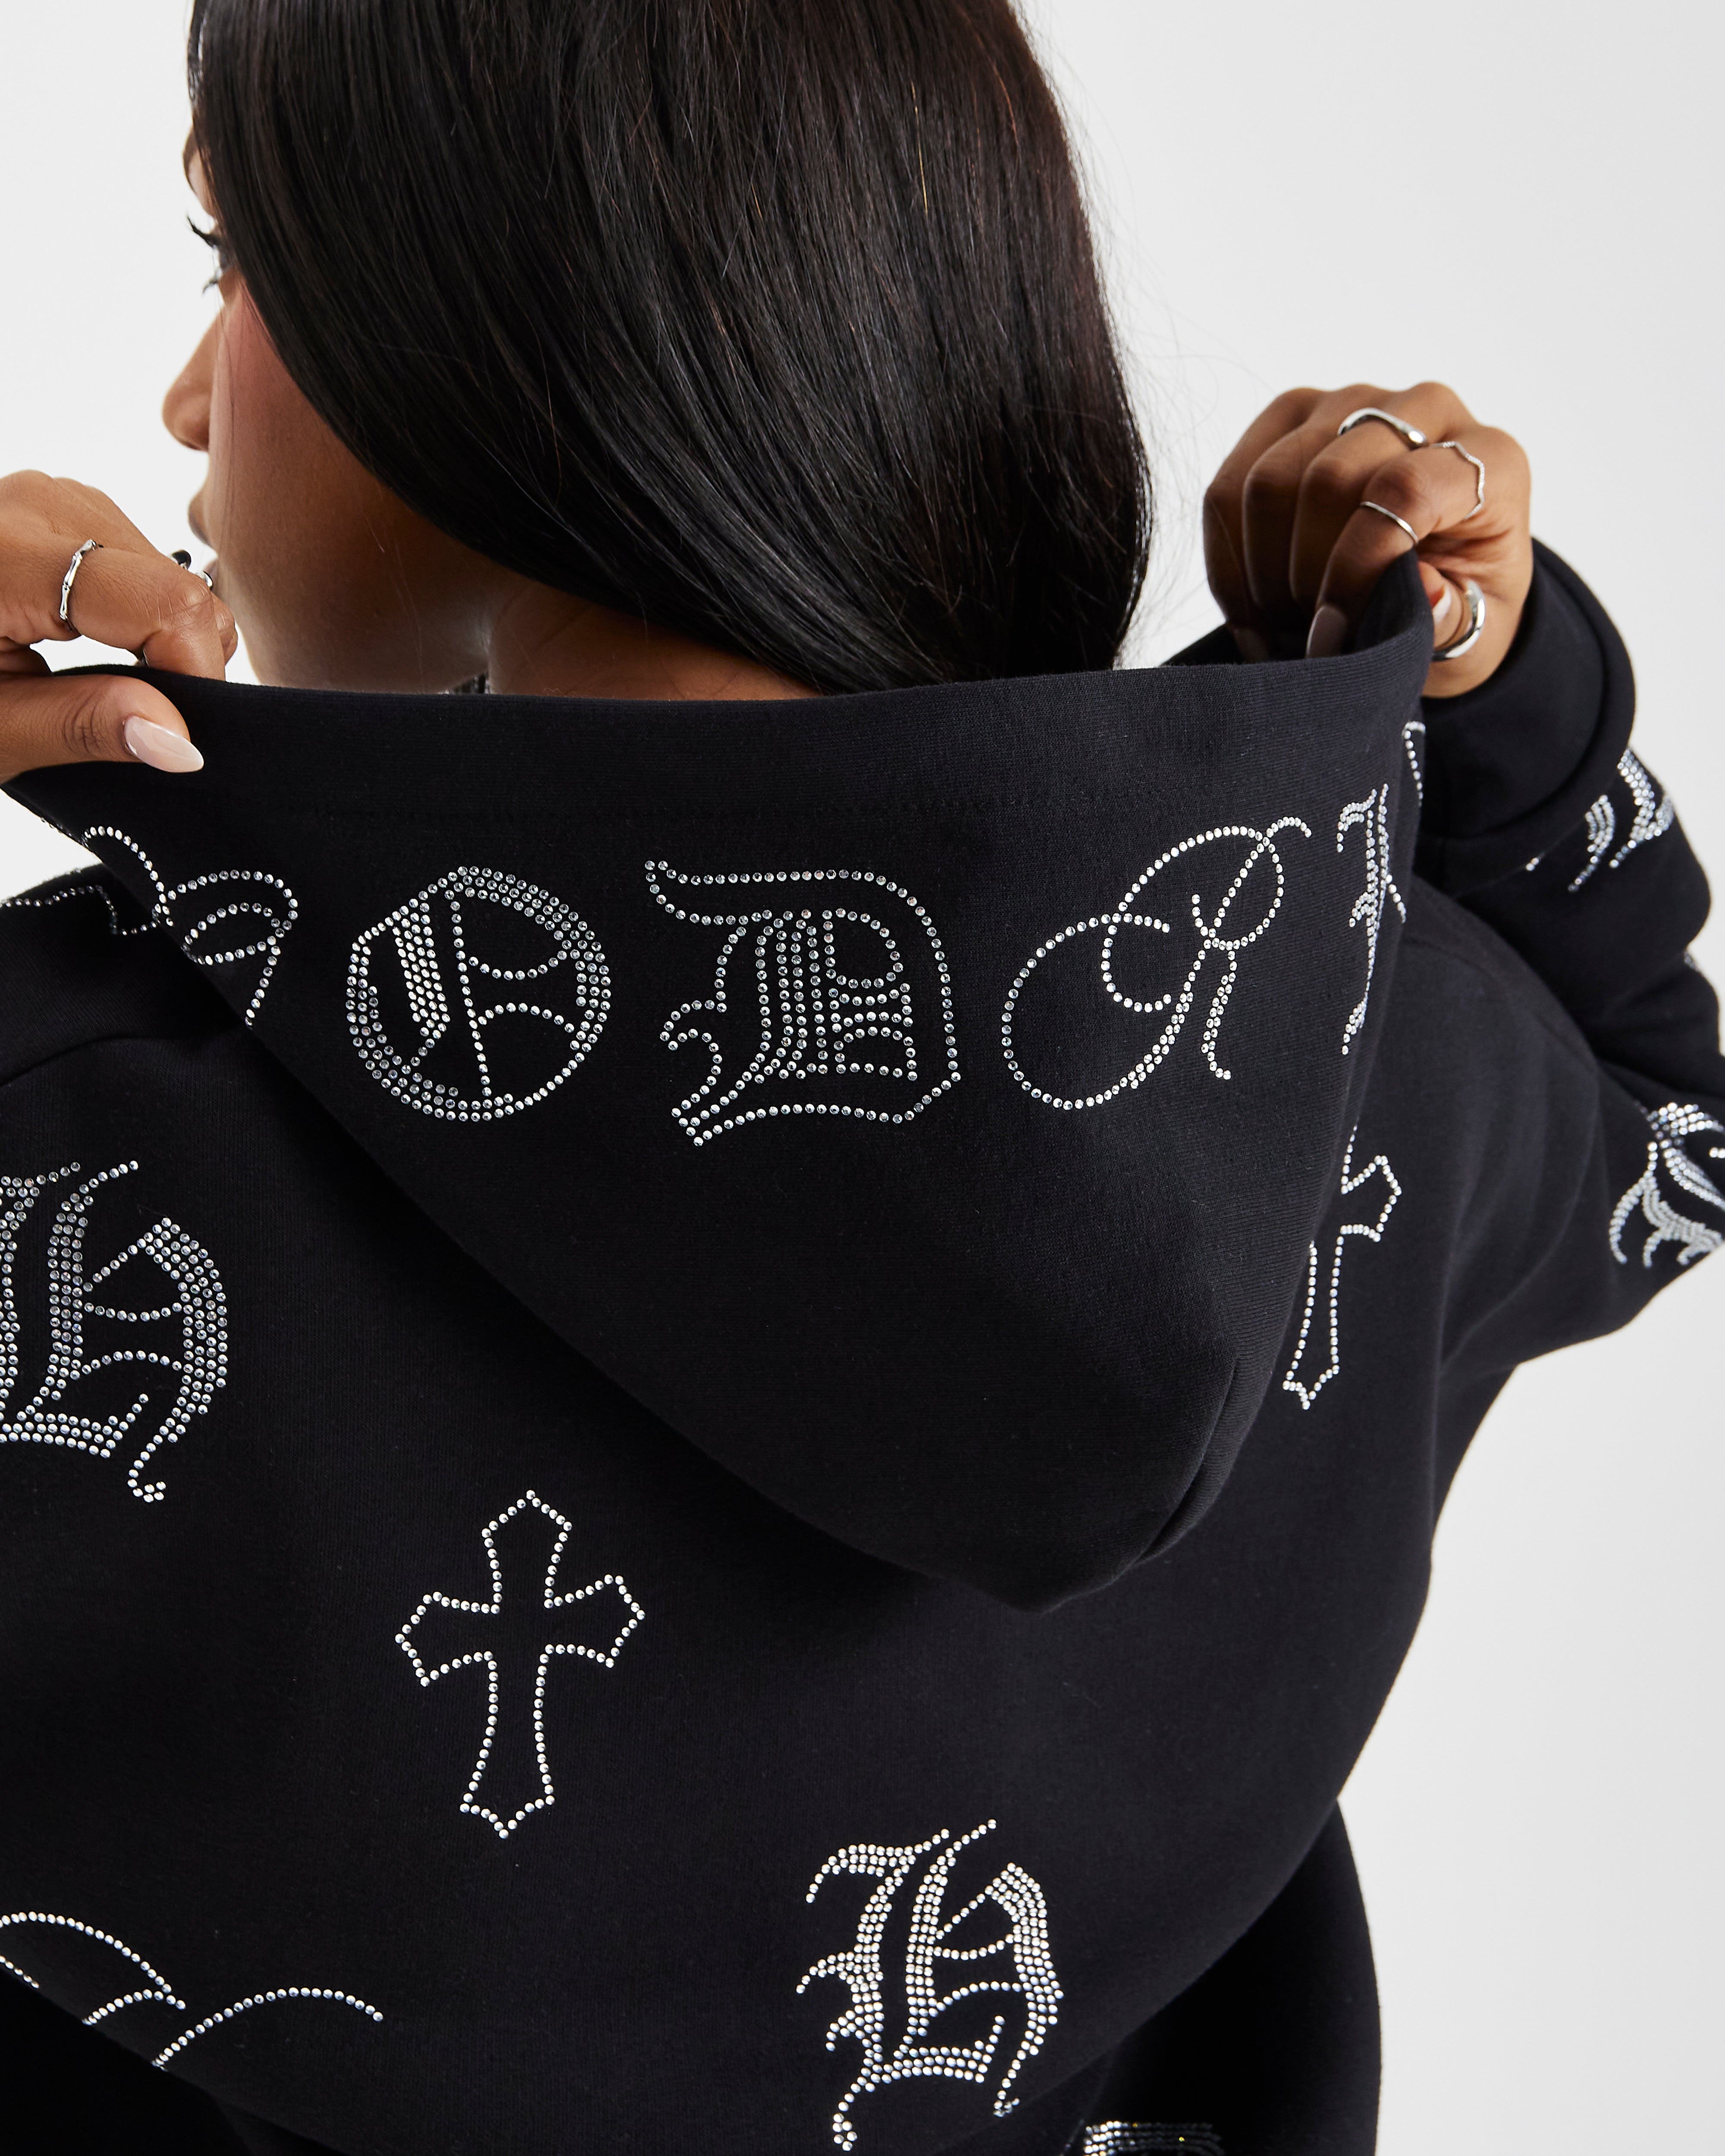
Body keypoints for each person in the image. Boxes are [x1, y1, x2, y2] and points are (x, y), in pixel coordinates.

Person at [0, 3, 1719, 2153]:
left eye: (231, 262)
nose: (183, 395)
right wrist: (1476, 673)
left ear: (484, 324)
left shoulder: (63, 1146)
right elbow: (1662, 1116)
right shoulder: (1333, 1063)